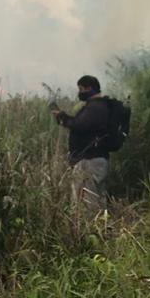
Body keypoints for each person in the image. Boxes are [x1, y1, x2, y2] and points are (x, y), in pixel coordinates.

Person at [52, 75, 111, 215]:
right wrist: (64, 117)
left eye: (81, 89)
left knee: (87, 201)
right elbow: (82, 125)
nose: (80, 92)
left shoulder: (95, 107)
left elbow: (80, 125)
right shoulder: (101, 106)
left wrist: (62, 118)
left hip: (90, 160)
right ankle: (101, 229)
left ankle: (89, 231)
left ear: (89, 88)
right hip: (97, 159)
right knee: (98, 197)